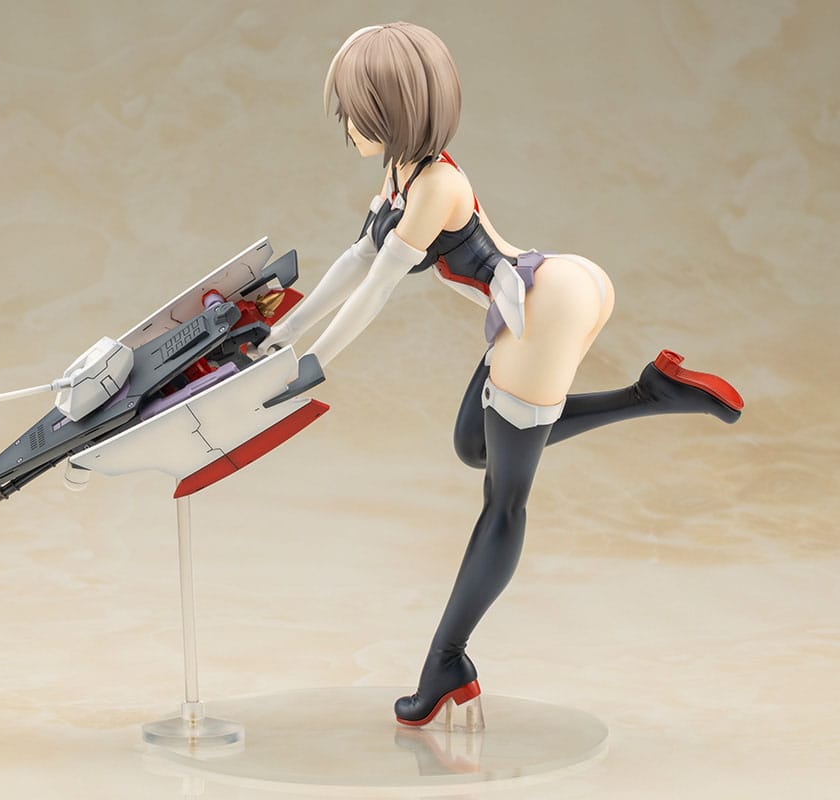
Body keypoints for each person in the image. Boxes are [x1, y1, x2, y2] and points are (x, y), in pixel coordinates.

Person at [258, 22, 744, 726]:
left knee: (505, 499)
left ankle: (446, 662)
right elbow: (355, 260)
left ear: (396, 108)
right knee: (475, 445)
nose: (346, 123)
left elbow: (379, 289)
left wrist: (314, 365)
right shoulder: (400, 174)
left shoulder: (437, 184)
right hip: (526, 308)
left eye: (357, 110)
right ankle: (653, 393)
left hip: (545, 306)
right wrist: (281, 333)